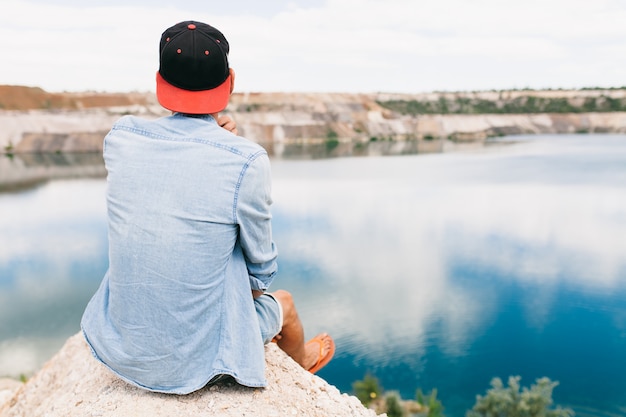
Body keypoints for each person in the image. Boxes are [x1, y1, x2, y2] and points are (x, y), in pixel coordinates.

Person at [80, 20, 334, 394]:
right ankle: (302, 363)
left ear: (159, 82)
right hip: (195, 363)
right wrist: (219, 141)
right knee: (285, 305)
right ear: (229, 81)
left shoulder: (121, 137)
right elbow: (261, 275)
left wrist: (211, 135)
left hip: (122, 348)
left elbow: (174, 172)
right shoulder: (246, 160)